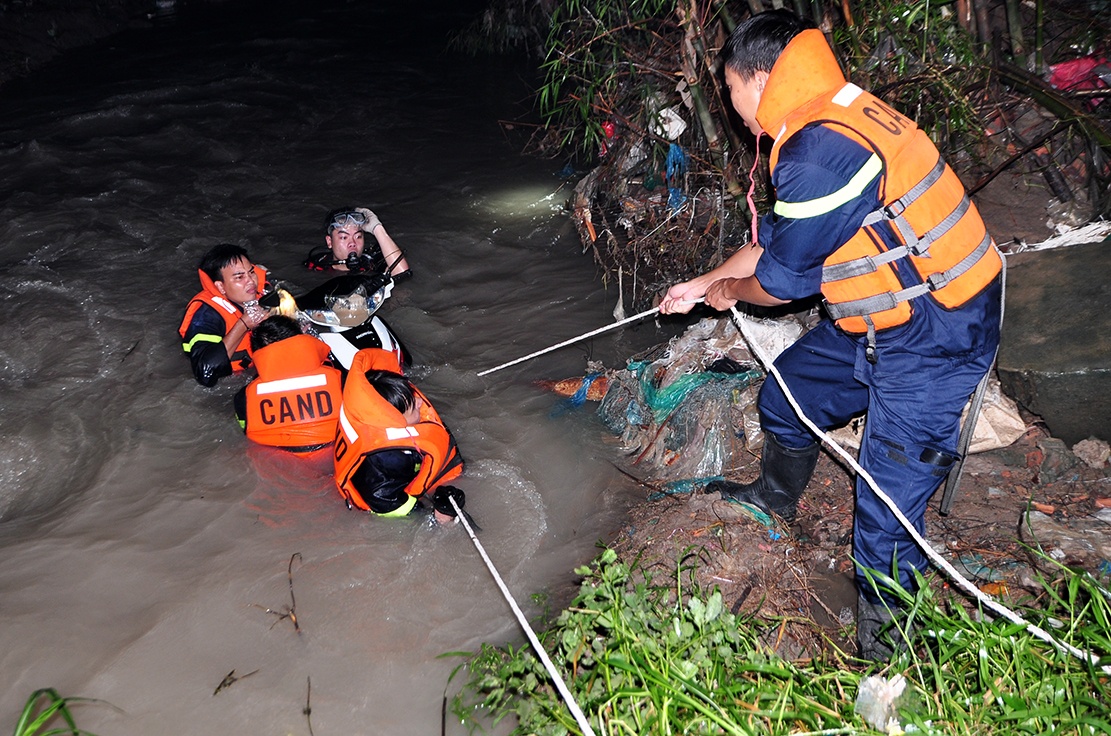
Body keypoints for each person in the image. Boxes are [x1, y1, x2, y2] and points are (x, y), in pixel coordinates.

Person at [659, 10, 1003, 660]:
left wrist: (729, 292)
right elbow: (776, 243)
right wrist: (701, 284)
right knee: (786, 397)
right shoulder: (829, 111)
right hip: (882, 316)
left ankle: (891, 660)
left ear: (759, 78)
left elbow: (781, 283)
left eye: (729, 89)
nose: (730, 106)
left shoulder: (817, 150)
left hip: (937, 330)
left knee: (883, 515)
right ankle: (775, 498)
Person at [332, 347, 464, 524]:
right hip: (381, 501)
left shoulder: (364, 411)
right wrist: (433, 516)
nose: (420, 402)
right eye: (413, 407)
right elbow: (385, 502)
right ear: (396, 421)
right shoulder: (389, 458)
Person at [233, 315, 345, 455]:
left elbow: (246, 434)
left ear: (257, 353)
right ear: (301, 340)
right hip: (335, 455)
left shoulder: (243, 398)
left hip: (276, 462)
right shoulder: (338, 378)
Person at [179, 243, 272, 387]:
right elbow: (205, 374)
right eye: (239, 277)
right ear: (221, 287)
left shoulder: (264, 293)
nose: (251, 281)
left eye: (251, 272)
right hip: (228, 384)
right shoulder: (205, 315)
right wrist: (243, 324)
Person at [303, 206, 411, 279]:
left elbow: (403, 274)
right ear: (329, 242)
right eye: (344, 237)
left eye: (358, 236)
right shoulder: (316, 266)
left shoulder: (372, 263)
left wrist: (377, 228)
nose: (352, 243)